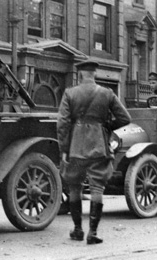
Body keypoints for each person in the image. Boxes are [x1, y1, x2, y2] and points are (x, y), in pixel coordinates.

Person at [57, 60, 131, 245]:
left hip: (76, 145)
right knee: (97, 186)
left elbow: (63, 124)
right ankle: (93, 233)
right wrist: (105, 127)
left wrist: (64, 149)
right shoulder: (106, 93)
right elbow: (125, 118)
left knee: (75, 186)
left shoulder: (70, 93)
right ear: (94, 74)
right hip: (98, 144)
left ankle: (77, 230)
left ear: (80, 74)